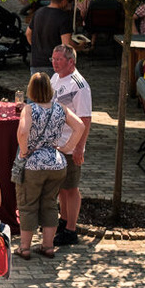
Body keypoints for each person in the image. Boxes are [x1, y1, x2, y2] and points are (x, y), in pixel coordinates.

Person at [15, 73, 85, 259]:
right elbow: (79, 126)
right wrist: (66, 148)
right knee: (50, 204)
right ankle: (48, 246)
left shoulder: (29, 109)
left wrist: (24, 151)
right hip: (56, 162)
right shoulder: (60, 108)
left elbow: (23, 132)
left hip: (34, 164)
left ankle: (25, 247)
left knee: (28, 204)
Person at [50, 45, 93, 247]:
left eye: (59, 59)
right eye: (53, 58)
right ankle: (63, 220)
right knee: (61, 187)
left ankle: (71, 229)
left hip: (70, 145)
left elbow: (85, 119)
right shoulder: (55, 78)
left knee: (71, 188)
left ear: (71, 62)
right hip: (56, 144)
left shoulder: (80, 86)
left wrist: (79, 148)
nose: (55, 62)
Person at [26, 0, 74, 79]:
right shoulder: (64, 17)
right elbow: (66, 45)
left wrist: (37, 47)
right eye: (69, 1)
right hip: (53, 64)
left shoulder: (38, 12)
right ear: (64, 1)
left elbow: (28, 33)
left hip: (36, 62)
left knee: (38, 91)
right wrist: (80, 47)